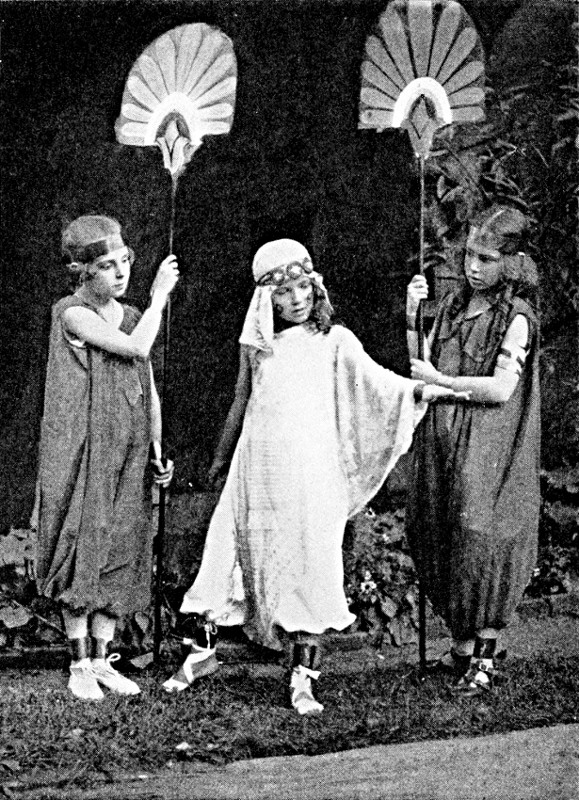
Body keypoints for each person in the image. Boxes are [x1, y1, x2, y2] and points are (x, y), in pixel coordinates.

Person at [161, 238, 465, 713]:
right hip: (257, 469)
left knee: (310, 564)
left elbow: (377, 382)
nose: (297, 299)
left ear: (316, 287)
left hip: (311, 474)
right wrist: (221, 460)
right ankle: (201, 656)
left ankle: (303, 678)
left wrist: (422, 392)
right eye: (284, 293)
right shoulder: (258, 346)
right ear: (267, 300)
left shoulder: (335, 340)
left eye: (303, 287)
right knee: (226, 554)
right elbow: (242, 400)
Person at [32, 214, 179, 700]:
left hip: (129, 447)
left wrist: (156, 448)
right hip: (85, 448)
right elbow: (135, 350)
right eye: (106, 266)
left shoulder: (133, 315)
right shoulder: (71, 313)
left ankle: (101, 659)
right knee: (84, 540)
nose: (120, 273)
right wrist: (160, 297)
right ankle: (79, 663)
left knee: (122, 542)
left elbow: (148, 387)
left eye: (124, 261)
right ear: (82, 271)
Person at [405, 204, 540, 694]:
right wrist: (412, 315)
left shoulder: (516, 317)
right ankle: (461, 647)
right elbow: (421, 366)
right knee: (438, 525)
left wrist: (442, 382)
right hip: (444, 434)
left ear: (513, 262)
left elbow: (501, 389)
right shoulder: (452, 307)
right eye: (469, 255)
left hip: (488, 443)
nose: (473, 267)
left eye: (486, 258)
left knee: (479, 532)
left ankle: (484, 653)